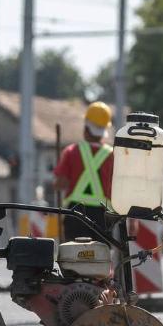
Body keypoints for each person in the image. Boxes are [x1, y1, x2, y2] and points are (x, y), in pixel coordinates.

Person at [53, 101, 114, 241]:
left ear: (86, 128)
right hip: (103, 216)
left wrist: (56, 183)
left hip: (75, 213)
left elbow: (61, 183)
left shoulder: (71, 151)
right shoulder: (113, 155)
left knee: (74, 257)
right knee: (100, 257)